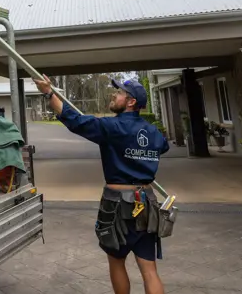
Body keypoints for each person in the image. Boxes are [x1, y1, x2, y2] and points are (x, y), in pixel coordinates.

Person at [33, 76, 170, 294]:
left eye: (119, 93)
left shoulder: (112, 127)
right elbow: (163, 147)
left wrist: (49, 93)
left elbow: (75, 121)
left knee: (117, 262)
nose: (114, 95)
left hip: (117, 206)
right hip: (147, 205)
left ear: (131, 102)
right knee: (149, 269)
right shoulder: (153, 133)